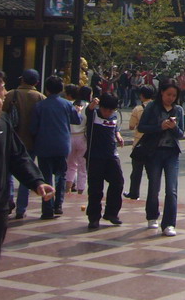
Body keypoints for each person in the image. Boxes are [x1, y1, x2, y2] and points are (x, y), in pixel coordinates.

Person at [0, 68, 54, 272]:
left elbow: (17, 156)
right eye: (2, 88)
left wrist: (37, 182)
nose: (4, 93)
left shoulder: (3, 121)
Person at [138, 78, 185, 236]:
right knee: (154, 187)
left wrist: (174, 127)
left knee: (171, 190)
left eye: (173, 95)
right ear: (162, 93)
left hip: (172, 153)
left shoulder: (178, 110)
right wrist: (160, 127)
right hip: (154, 152)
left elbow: (181, 133)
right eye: (168, 94)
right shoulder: (152, 107)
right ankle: (152, 216)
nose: (170, 98)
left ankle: (169, 223)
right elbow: (142, 127)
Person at [30, 76, 81, 219]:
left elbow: (33, 128)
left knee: (45, 178)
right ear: (61, 90)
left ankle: (47, 208)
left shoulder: (40, 106)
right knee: (61, 176)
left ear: (46, 89)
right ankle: (58, 205)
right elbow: (77, 120)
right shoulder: (66, 105)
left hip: (44, 146)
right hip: (62, 145)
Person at [2, 68, 43, 219]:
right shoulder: (40, 97)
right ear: (36, 82)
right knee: (27, 173)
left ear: (22, 80)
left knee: (8, 174)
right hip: (31, 142)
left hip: (12, 139)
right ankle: (21, 208)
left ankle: (9, 202)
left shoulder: (10, 94)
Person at [84, 93, 125, 229]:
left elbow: (115, 127)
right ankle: (94, 217)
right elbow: (88, 111)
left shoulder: (114, 116)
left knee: (118, 182)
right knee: (95, 188)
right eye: (105, 109)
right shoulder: (94, 114)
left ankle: (112, 213)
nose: (107, 113)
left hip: (111, 155)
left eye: (110, 110)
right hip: (95, 157)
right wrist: (92, 105)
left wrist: (118, 135)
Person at [124, 85, 155, 200]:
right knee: (152, 173)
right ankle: (153, 194)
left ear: (141, 95)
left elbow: (131, 126)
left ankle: (134, 193)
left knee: (136, 171)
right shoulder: (157, 108)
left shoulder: (138, 109)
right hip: (153, 144)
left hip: (139, 143)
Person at [65, 85, 89, 196]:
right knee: (82, 166)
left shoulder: (69, 105)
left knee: (70, 165)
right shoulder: (87, 106)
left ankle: (68, 189)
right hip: (82, 137)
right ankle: (80, 191)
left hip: (69, 136)